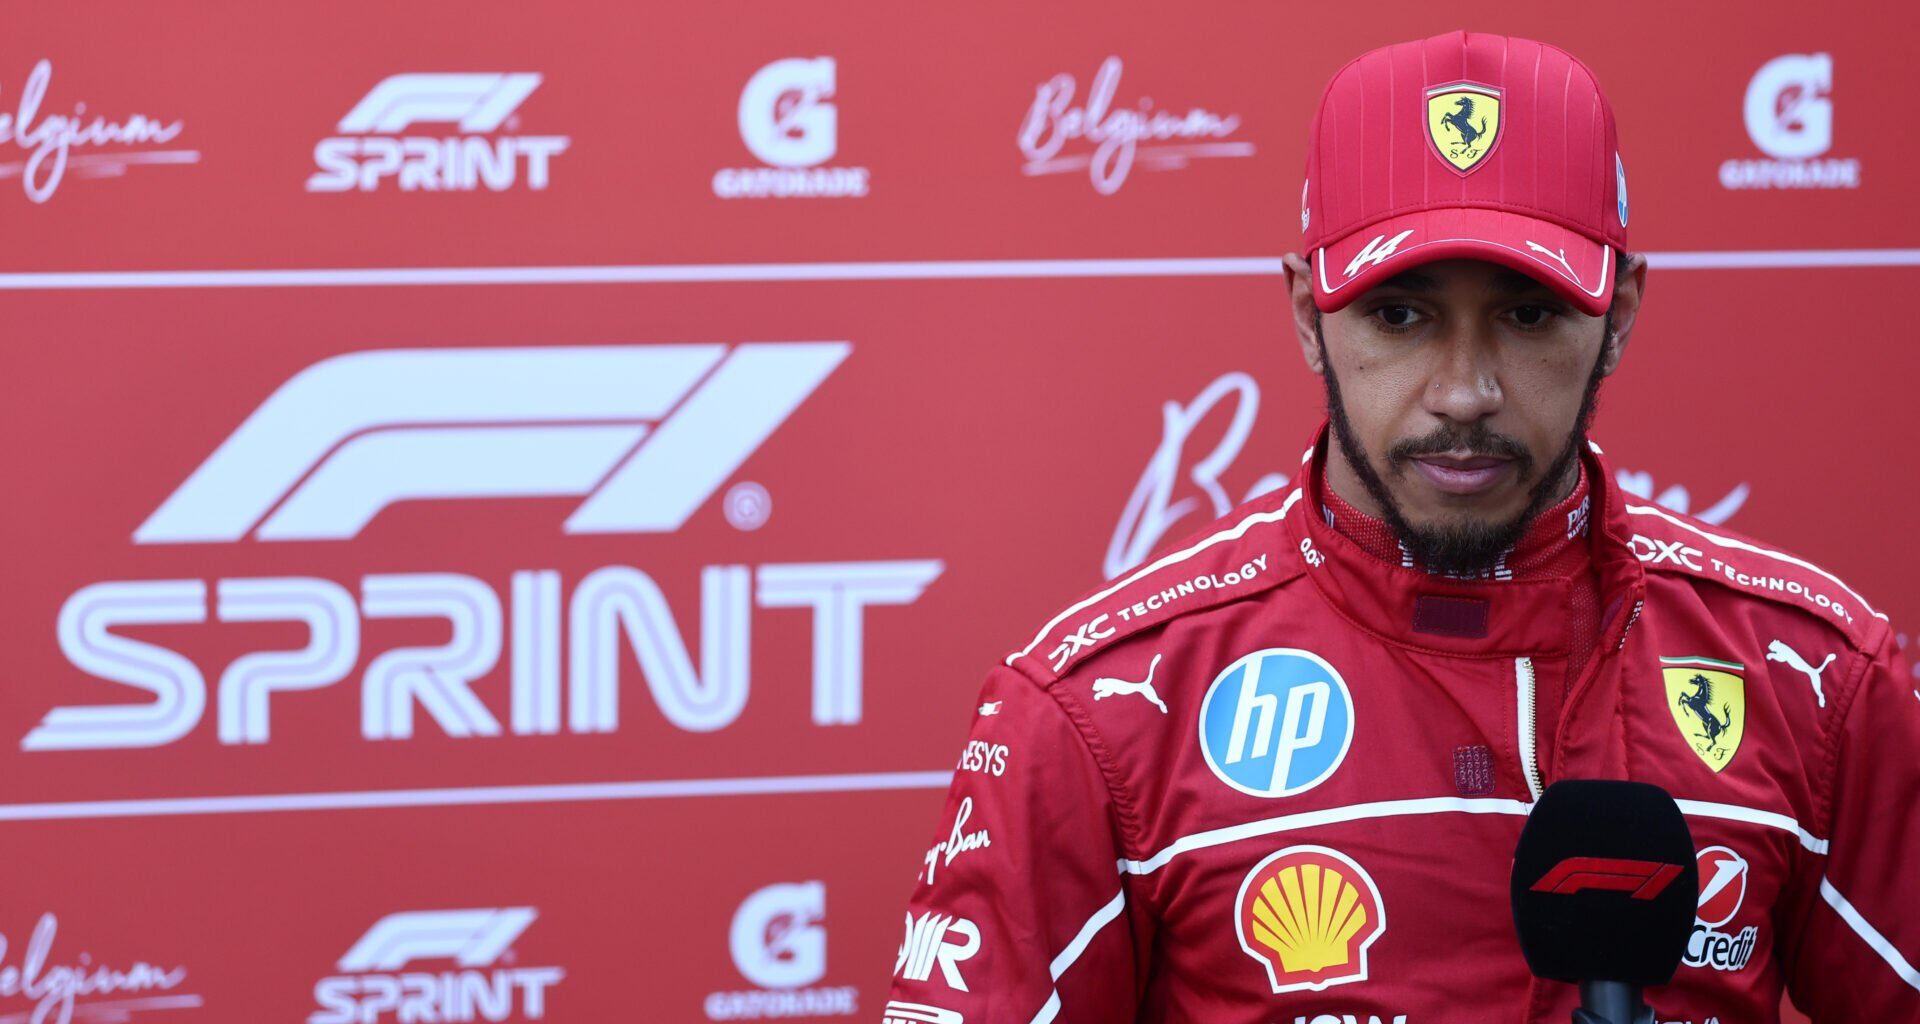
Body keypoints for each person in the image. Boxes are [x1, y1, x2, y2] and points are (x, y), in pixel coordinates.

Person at [882, 29, 1918, 1024]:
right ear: (1307, 314)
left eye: (1528, 314)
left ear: (1622, 315)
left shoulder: (1817, 677)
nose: (1463, 392)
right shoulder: (1098, 710)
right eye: (1399, 315)